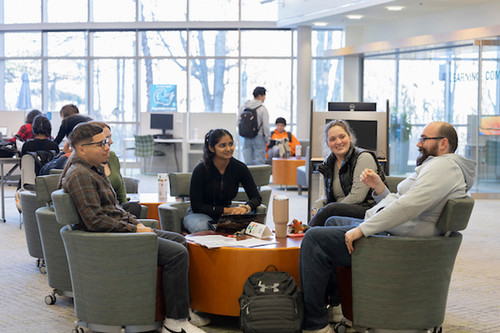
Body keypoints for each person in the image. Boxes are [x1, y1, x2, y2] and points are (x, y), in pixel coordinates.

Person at [299, 121, 476, 333]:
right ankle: (338, 307)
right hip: (396, 230)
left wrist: (362, 229)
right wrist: (380, 189)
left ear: (443, 143)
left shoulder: (444, 167)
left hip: (397, 243)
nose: (419, 144)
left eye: (424, 139)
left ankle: (316, 324)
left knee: (314, 239)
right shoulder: (437, 165)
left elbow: (408, 206)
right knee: (331, 222)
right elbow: (404, 201)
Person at [61, 123, 208, 333]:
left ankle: (180, 308)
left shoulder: (92, 169)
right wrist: (134, 230)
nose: (107, 147)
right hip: (112, 241)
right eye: (101, 144)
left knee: (179, 240)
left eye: (106, 142)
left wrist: (134, 223)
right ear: (82, 148)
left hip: (120, 232)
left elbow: (113, 209)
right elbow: (94, 220)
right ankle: (175, 321)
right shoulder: (81, 175)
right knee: (177, 254)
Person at [308, 120, 384, 227]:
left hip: (368, 209)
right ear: (327, 143)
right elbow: (327, 197)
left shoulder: (363, 157)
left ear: (349, 137)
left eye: (342, 136)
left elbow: (357, 197)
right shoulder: (328, 163)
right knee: (324, 211)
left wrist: (329, 210)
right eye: (332, 139)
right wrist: (317, 207)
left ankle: (304, 233)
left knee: (329, 211)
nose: (338, 142)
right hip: (340, 210)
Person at [183, 129, 262, 233]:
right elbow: (197, 206)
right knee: (202, 228)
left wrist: (246, 208)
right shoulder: (200, 170)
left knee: (251, 228)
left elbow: (256, 197)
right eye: (222, 145)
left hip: (226, 214)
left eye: (231, 144)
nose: (228, 149)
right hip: (198, 214)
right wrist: (227, 210)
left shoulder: (240, 168)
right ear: (212, 148)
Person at [239, 86, 270, 165]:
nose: (264, 98)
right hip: (258, 136)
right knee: (260, 161)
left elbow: (238, 122)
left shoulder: (244, 107)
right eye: (264, 96)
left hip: (246, 137)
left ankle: (248, 177)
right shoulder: (262, 109)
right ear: (260, 96)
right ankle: (260, 177)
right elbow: (266, 126)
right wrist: (267, 139)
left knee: (247, 161)